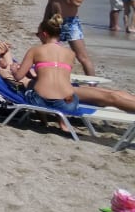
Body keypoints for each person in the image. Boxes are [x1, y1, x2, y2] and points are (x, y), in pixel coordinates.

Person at [7, 15, 135, 129]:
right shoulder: (70, 54)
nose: (38, 36)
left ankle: (49, 121)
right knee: (108, 95)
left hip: (43, 100)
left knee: (32, 90)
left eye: (38, 34)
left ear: (45, 34)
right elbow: (59, 77)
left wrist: (13, 69)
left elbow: (18, 77)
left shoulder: (35, 50)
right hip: (68, 102)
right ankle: (62, 121)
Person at [43, 0, 94, 77]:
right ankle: (51, 79)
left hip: (70, 22)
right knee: (49, 53)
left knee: (82, 57)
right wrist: (44, 22)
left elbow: (77, 2)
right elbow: (50, 3)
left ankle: (93, 84)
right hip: (54, 21)